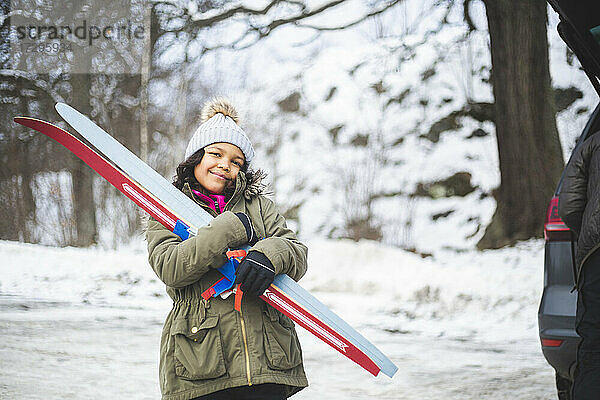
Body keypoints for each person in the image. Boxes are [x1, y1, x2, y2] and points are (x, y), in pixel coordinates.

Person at [145, 98, 308, 400]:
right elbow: (171, 268)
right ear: (195, 157)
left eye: (236, 161)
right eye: (216, 154)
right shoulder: (166, 210)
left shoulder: (260, 206)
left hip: (267, 360)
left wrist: (268, 255)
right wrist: (230, 228)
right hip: (202, 361)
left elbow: (296, 251)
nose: (225, 165)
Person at [559, 132, 600, 399]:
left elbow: (569, 203)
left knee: (595, 349)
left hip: (597, 254)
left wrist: (588, 230)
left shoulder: (594, 142)